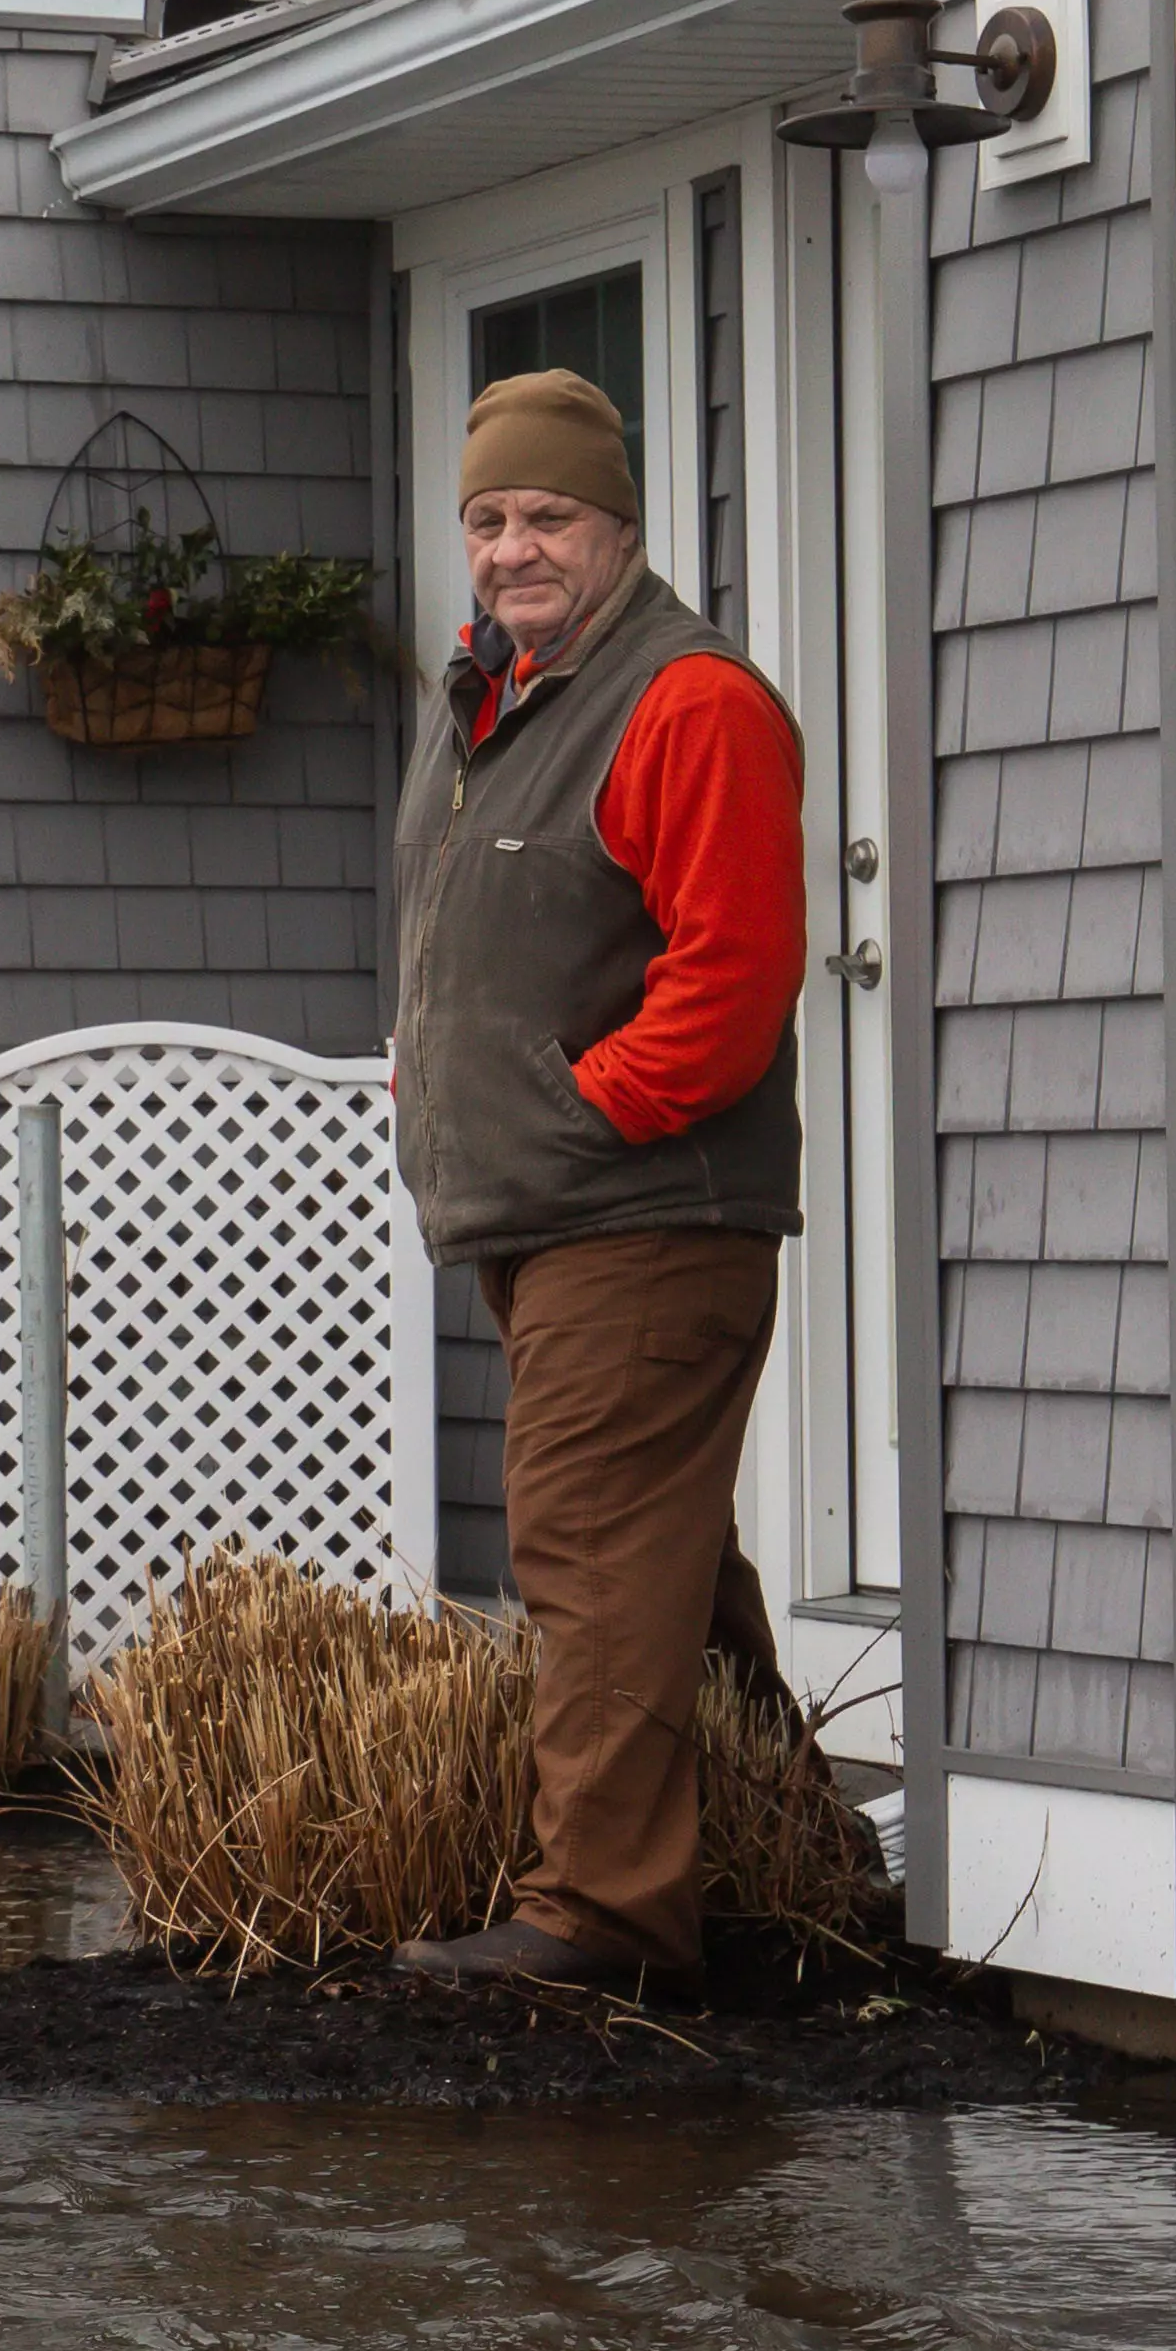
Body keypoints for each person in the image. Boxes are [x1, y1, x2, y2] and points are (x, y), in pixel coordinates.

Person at [387, 367, 809, 1997]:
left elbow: (736, 973)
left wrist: (582, 1110)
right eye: (488, 518)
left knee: (588, 1547)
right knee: (663, 1558)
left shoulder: (684, 697)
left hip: (643, 1214)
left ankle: (606, 1918)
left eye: (549, 514)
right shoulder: (496, 698)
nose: (513, 547)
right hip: (554, 1213)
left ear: (620, 523)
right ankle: (799, 1851)